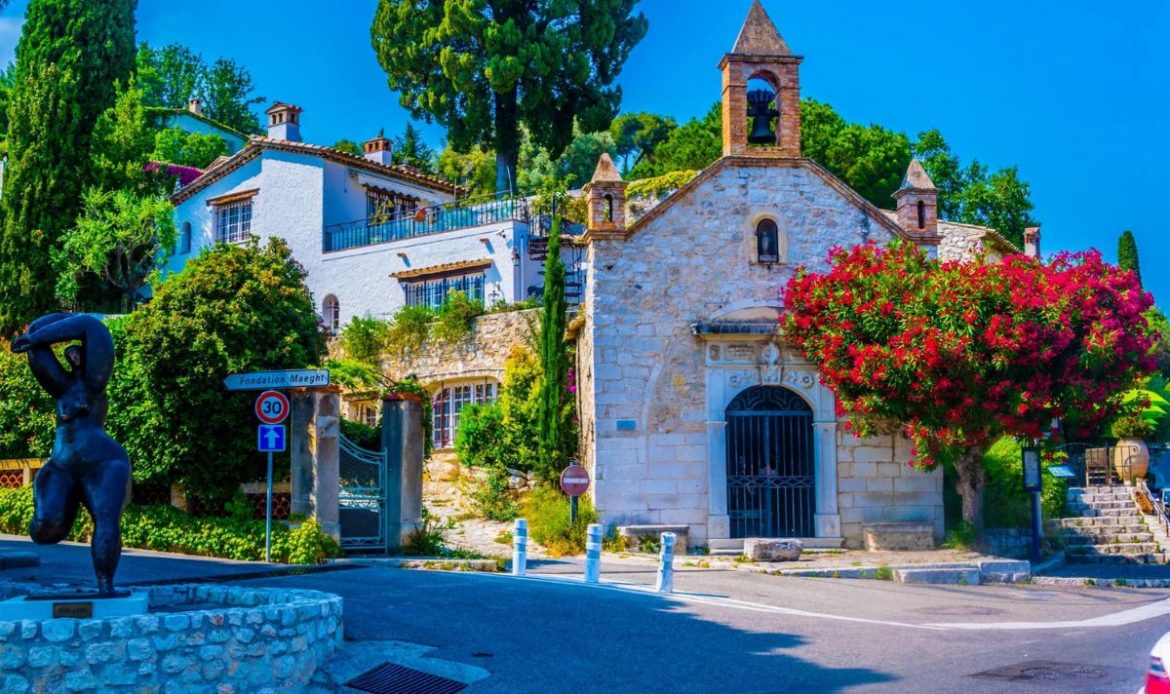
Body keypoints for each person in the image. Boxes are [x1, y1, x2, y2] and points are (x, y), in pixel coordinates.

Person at [11, 313, 131, 596]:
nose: (74, 356)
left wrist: (37, 337)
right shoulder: (61, 387)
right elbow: (35, 341)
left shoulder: (96, 383)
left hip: (102, 462)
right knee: (45, 529)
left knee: (105, 519)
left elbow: (90, 326)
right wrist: (36, 336)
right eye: (70, 354)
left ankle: (106, 586)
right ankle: (51, 516)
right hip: (63, 463)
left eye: (79, 352)